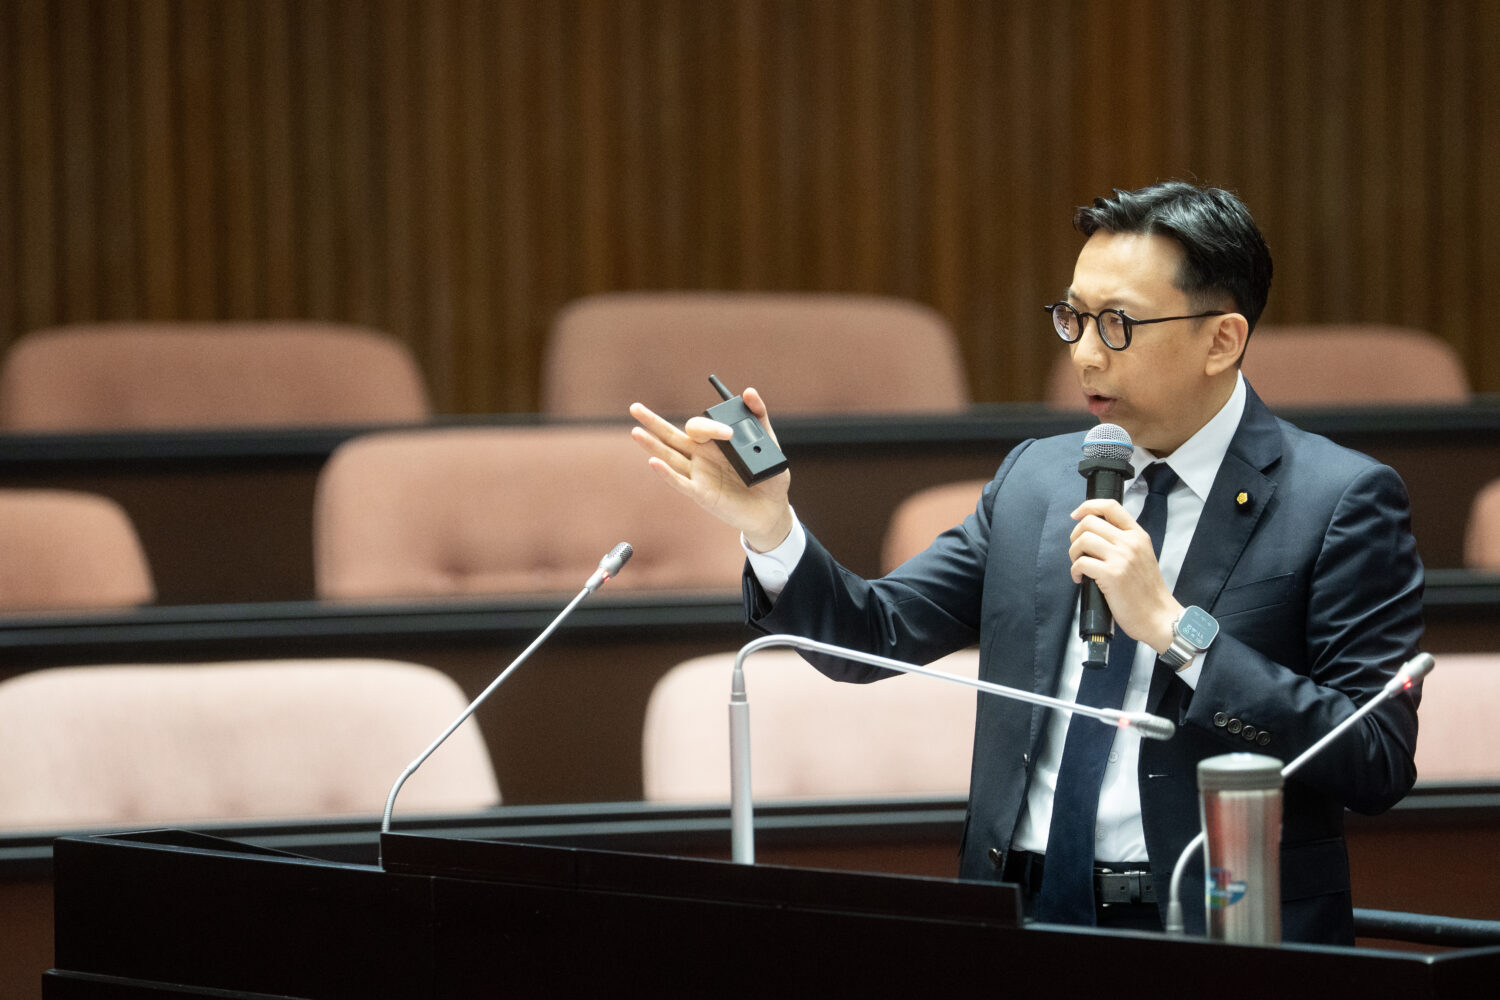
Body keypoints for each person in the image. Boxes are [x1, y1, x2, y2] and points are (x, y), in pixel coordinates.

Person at [628, 181, 1423, 943]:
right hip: (1021, 921)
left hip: (1216, 931)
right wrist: (771, 527)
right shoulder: (1036, 481)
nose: (1085, 354)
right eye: (1073, 318)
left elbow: (1376, 759)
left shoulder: (1339, 499)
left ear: (1222, 339)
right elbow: (872, 638)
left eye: (1118, 324)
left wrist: (1175, 631)